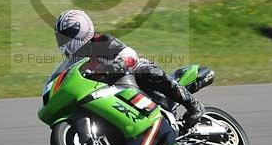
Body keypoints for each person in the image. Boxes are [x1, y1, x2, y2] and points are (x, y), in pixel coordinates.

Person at [54, 9, 205, 131]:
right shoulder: (74, 62)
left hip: (131, 76)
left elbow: (129, 54)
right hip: (108, 92)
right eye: (60, 38)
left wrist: (118, 65)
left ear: (82, 31)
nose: (63, 42)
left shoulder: (101, 41)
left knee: (147, 72)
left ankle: (193, 105)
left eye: (66, 37)